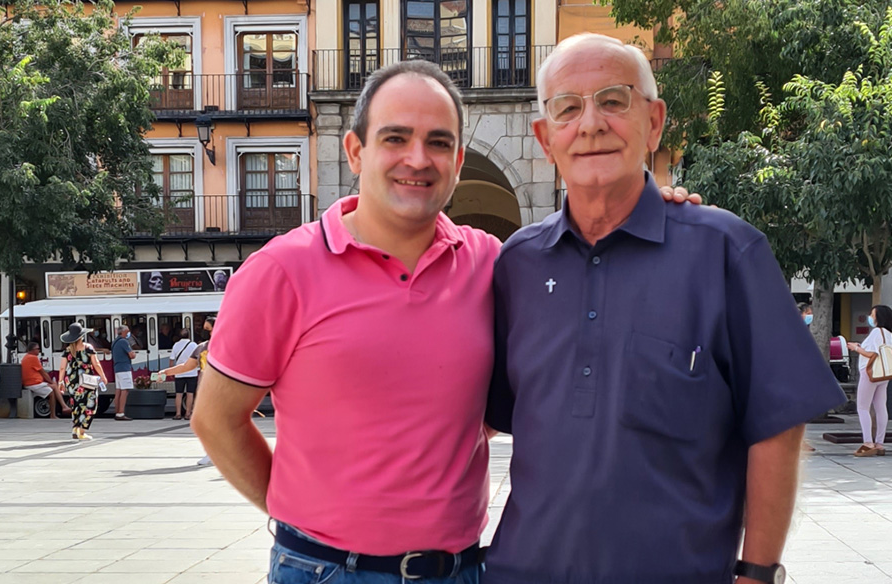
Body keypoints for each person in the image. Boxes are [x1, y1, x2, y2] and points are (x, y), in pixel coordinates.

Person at [191, 59, 699, 584]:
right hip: (325, 571)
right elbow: (216, 419)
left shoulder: (493, 264)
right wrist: (297, 513)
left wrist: (641, 209)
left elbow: (575, 299)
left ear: (458, 162)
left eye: (438, 142)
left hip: (459, 570)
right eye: (395, 138)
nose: (418, 158)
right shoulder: (280, 271)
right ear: (355, 151)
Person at [484, 33, 846, 584]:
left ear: (654, 123)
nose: (591, 124)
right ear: (544, 137)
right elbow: (493, 417)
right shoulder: (518, 264)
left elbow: (777, 426)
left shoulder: (727, 251)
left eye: (613, 100)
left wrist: (757, 571)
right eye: (568, 108)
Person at [160, 316, 215, 466]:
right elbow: (186, 366)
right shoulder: (201, 347)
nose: (203, 332)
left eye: (207, 329)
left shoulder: (227, 346)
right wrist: (165, 372)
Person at [846, 305, 892, 457]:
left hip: (870, 372)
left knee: (863, 407)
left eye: (872, 314)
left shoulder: (876, 332)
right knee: (881, 406)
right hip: (884, 373)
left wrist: (856, 348)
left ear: (878, 317)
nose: (870, 316)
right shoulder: (889, 334)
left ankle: (868, 442)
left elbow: (872, 354)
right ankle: (880, 442)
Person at [58, 323, 109, 440]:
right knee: (91, 405)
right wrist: (103, 376)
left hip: (71, 381)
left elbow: (62, 367)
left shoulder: (67, 350)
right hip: (87, 381)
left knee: (76, 405)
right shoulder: (88, 348)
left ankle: (75, 429)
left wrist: (60, 382)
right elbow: (96, 363)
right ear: (81, 336)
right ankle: (82, 431)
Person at [21, 342, 72, 418]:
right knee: (54, 387)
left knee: (52, 391)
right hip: (33, 383)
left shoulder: (26, 357)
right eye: (38, 349)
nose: (39, 351)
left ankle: (58, 410)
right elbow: (43, 372)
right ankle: (62, 408)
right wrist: (50, 382)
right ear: (32, 350)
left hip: (31, 382)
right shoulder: (33, 358)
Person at [169, 329, 198, 420]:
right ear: (189, 335)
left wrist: (171, 371)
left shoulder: (176, 345)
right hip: (191, 373)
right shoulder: (194, 345)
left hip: (179, 373)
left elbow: (171, 360)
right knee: (190, 394)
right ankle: (188, 414)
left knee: (179, 394)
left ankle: (178, 414)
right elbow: (199, 358)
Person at [111, 325, 136, 421]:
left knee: (118, 391)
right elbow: (131, 355)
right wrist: (133, 354)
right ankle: (121, 413)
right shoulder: (124, 342)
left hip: (117, 368)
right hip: (124, 368)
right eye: (128, 331)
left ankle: (117, 411)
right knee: (125, 390)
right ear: (124, 332)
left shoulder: (115, 342)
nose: (129, 333)